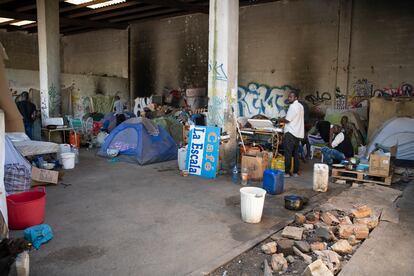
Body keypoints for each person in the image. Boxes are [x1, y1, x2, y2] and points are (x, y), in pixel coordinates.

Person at [280, 91, 304, 178]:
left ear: (296, 98)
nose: (289, 98)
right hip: (298, 133)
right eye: (289, 97)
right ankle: (295, 172)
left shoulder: (292, 106)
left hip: (290, 133)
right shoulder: (301, 106)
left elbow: (288, 120)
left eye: (291, 97)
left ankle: (287, 172)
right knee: (296, 154)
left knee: (288, 153)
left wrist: (280, 119)